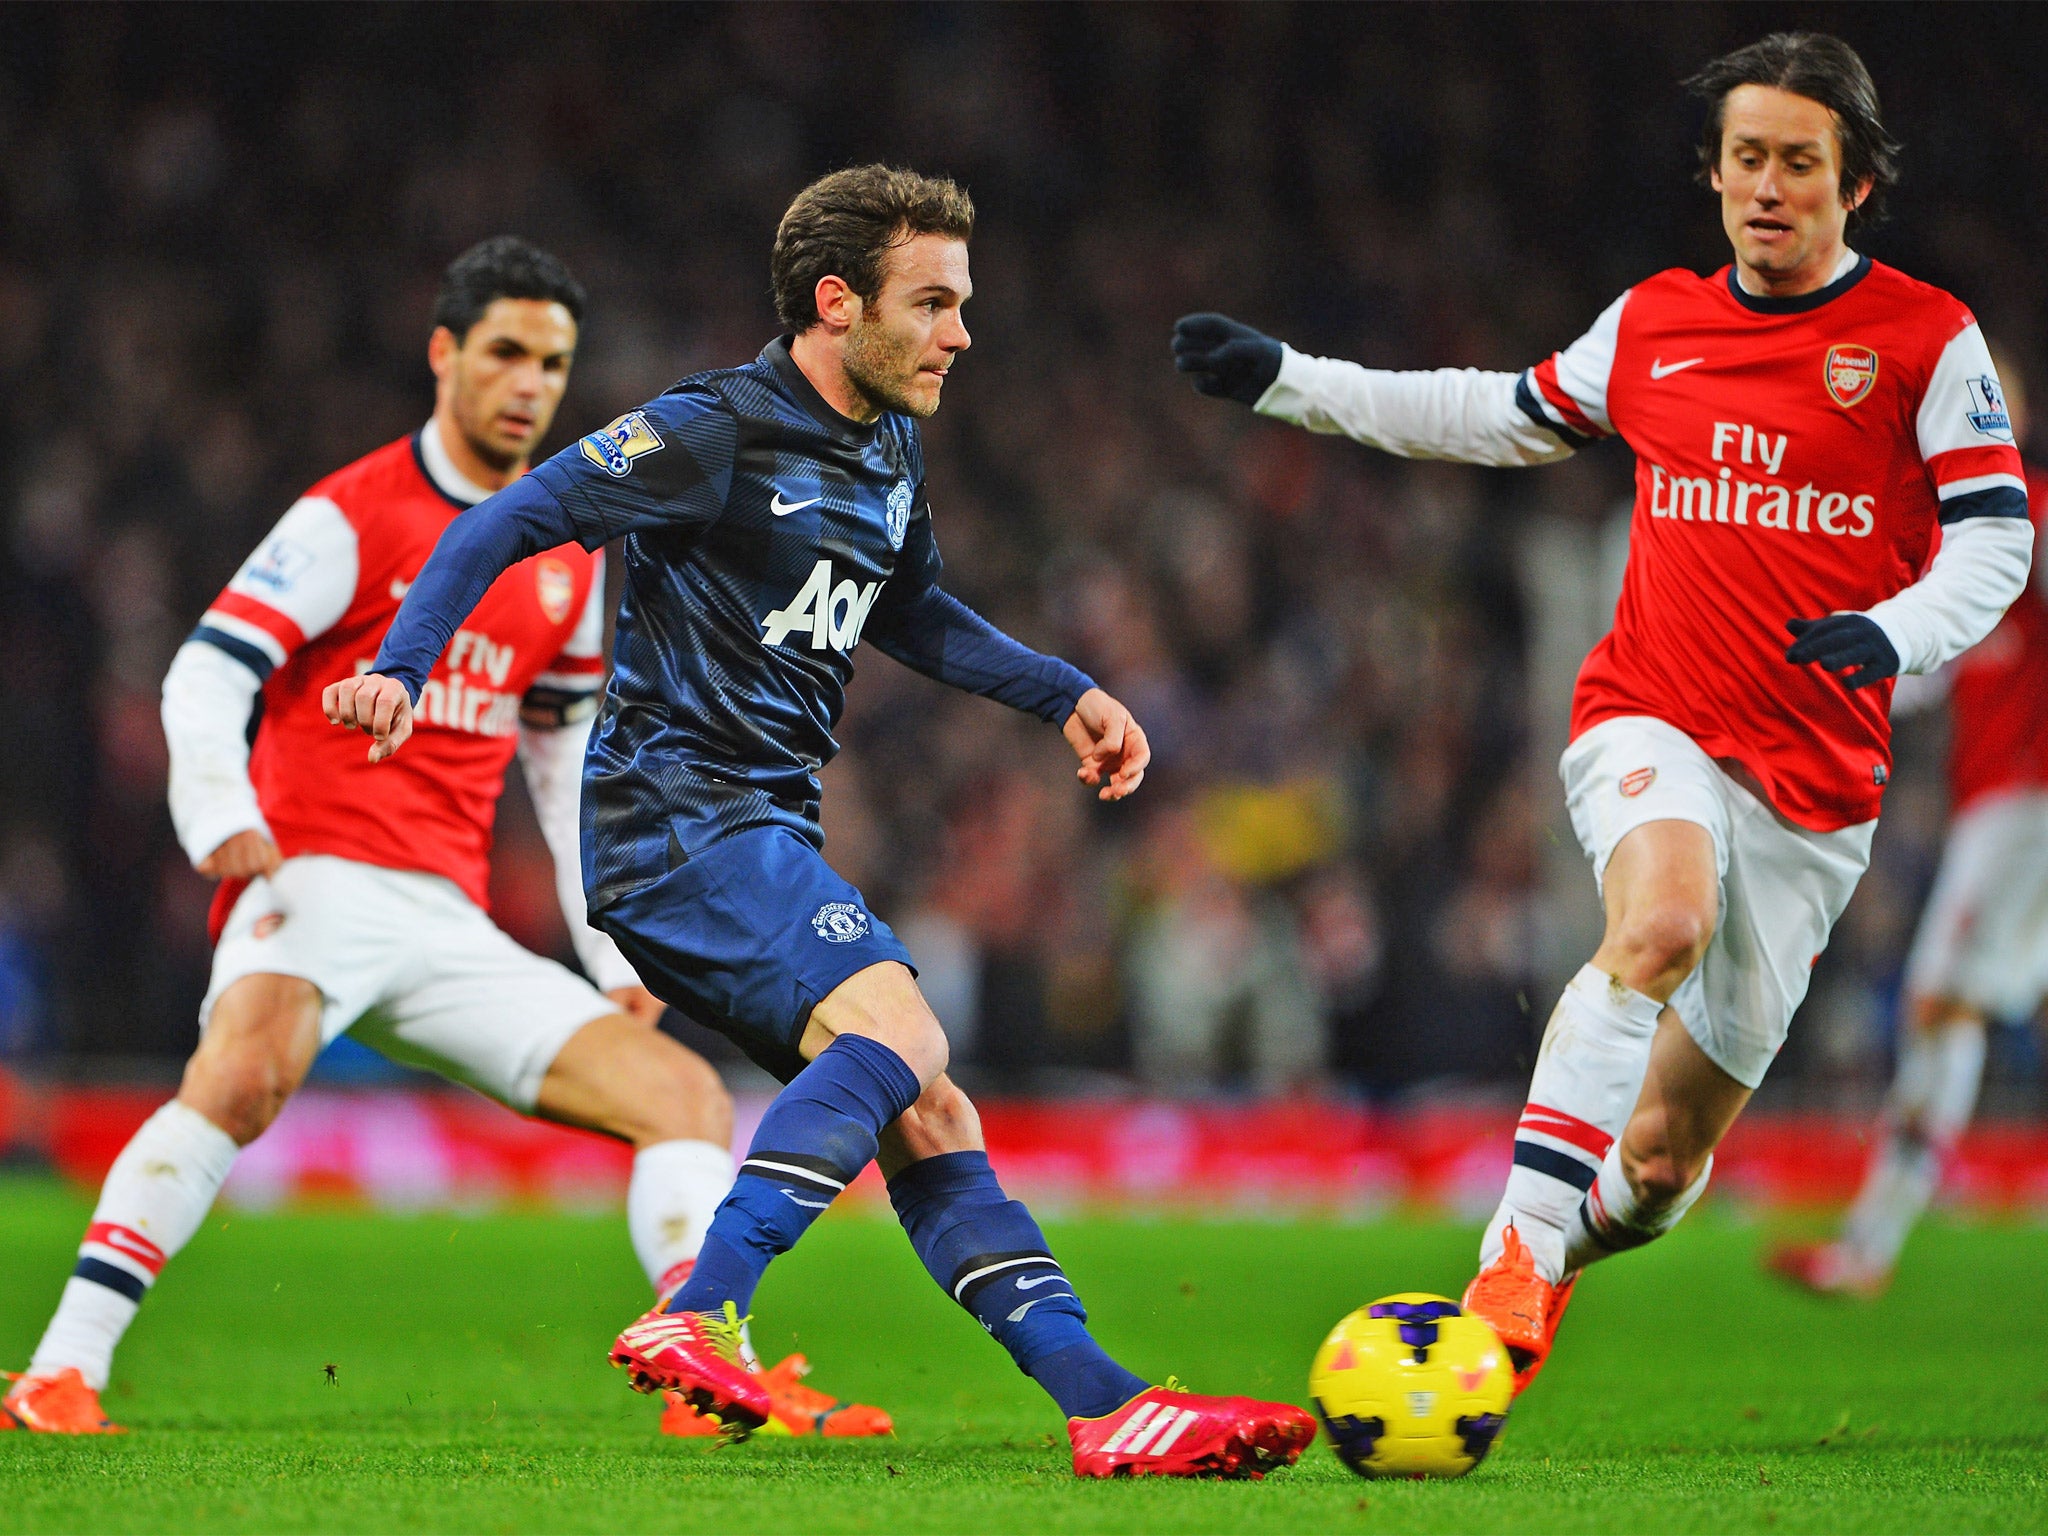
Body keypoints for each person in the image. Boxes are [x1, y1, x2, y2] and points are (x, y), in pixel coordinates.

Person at [326, 166, 1314, 1479]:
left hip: (754, 827)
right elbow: (514, 515)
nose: (962, 332)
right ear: (837, 303)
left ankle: (1101, 1402)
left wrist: (1063, 692)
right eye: (935, 302)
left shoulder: (886, 447)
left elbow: (912, 611)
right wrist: (400, 663)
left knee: (932, 1111)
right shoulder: (709, 430)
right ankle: (698, 1312)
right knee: (901, 1026)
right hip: (674, 819)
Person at [1172, 33, 2032, 1392]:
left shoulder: (1925, 340)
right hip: (1651, 714)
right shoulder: (1655, 325)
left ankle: (1560, 1252)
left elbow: (1996, 538)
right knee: (1662, 922)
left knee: (1660, 1170)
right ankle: (1509, 1268)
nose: (1767, 187)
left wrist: (1894, 628)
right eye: (1745, 158)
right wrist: (1293, 378)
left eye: (1798, 163)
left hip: (1816, 784)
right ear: (1715, 172)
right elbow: (1492, 412)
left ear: (1855, 184)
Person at [4, 238, 884, 1441]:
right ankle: (60, 1373)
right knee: (245, 1072)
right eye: (506, 353)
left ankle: (701, 1383)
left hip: (441, 918)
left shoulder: (564, 563)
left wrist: (614, 954)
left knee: (678, 1094)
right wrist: (223, 815)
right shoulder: (350, 514)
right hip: (312, 875)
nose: (530, 382)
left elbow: (565, 757)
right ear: (444, 356)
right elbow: (207, 669)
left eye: (552, 362)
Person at [1771, 357, 2048, 1297]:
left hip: (2029, 805)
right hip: (1999, 805)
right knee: (1956, 1008)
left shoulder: (2033, 517)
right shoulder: (1956, 552)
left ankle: (1870, 1248)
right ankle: (1869, 1246)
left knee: (1939, 1004)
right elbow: (1923, 679)